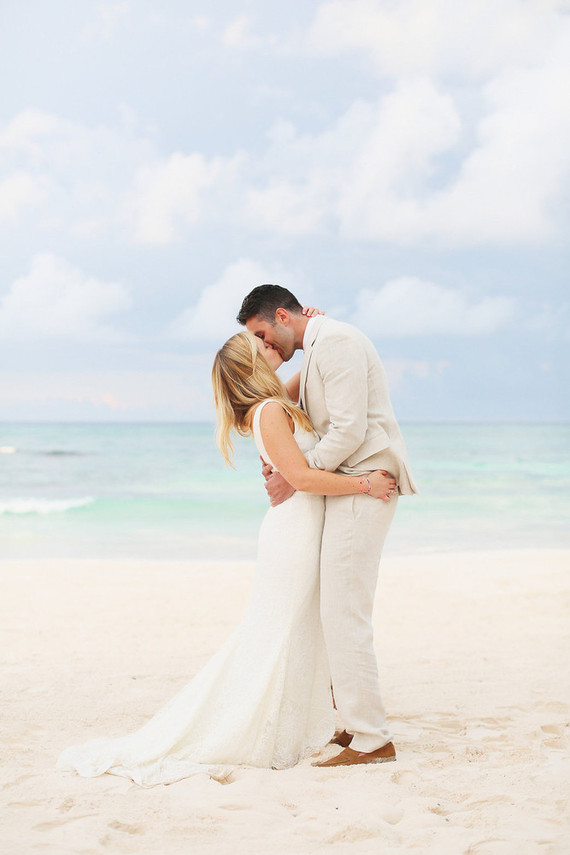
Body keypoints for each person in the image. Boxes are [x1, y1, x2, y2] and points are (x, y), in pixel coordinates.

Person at [56, 330, 397, 786]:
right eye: (261, 346)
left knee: (298, 630)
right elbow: (301, 477)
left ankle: (313, 720)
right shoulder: (271, 411)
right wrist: (364, 485)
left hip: (298, 528)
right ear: (250, 365)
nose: (269, 346)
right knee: (280, 630)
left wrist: (312, 332)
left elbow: (305, 374)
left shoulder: (273, 403)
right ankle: (267, 724)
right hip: (293, 534)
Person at [237, 284, 417, 767]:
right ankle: (352, 724)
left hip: (367, 477)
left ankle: (372, 739)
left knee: (344, 610)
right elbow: (301, 405)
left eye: (262, 334)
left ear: (280, 315)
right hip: (346, 481)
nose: (264, 347)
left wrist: (297, 476)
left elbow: (349, 430)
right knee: (334, 608)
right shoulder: (319, 344)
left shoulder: (333, 341)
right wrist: (293, 469)